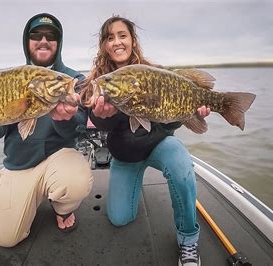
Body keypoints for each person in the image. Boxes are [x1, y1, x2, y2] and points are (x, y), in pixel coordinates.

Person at [0, 13, 93, 247]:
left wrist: (63, 119)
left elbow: (76, 129)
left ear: (60, 42)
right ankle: (18, 198)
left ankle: (62, 208)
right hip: (19, 165)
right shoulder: (10, 79)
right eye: (36, 35)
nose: (43, 40)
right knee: (5, 238)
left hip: (59, 161)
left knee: (76, 180)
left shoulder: (73, 79)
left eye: (51, 36)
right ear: (27, 41)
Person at [83, 16, 210, 266]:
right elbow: (99, 123)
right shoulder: (98, 81)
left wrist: (189, 113)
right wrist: (103, 117)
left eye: (123, 35)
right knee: (119, 218)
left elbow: (169, 124)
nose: (117, 42)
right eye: (110, 37)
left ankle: (188, 240)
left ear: (132, 40)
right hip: (125, 156)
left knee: (182, 168)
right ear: (103, 45)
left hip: (159, 146)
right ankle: (133, 182)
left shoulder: (156, 72)